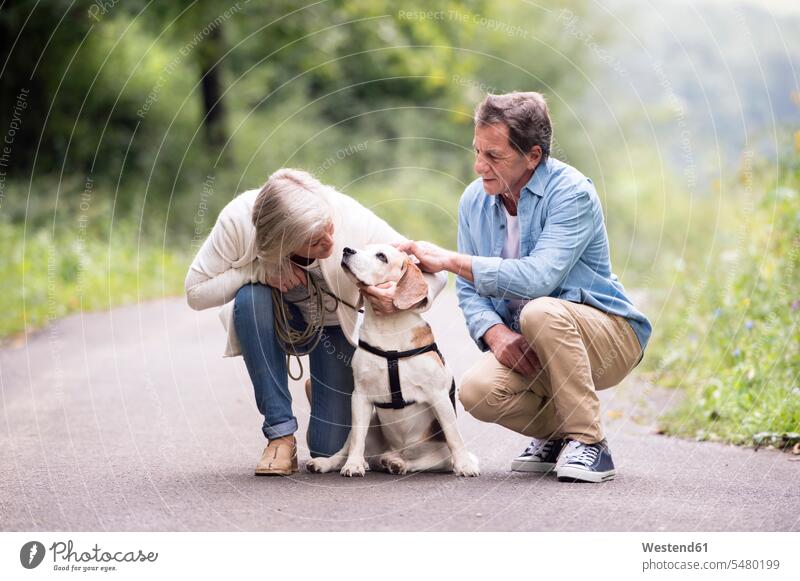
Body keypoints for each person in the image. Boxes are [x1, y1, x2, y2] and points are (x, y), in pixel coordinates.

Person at [396, 92, 652, 483]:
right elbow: (470, 291)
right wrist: (495, 333)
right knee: (476, 391)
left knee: (540, 310)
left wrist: (449, 260)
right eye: (477, 151)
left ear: (533, 156)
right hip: (535, 343)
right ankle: (558, 435)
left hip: (609, 338)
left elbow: (539, 279)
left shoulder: (572, 193)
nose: (479, 166)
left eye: (494, 156)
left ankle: (590, 443)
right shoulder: (474, 200)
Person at [185, 168, 446, 476]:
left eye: (328, 228)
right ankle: (280, 435)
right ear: (280, 243)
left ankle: (323, 387)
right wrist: (258, 273)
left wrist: (397, 297)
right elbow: (195, 292)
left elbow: (433, 274)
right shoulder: (238, 221)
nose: (330, 243)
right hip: (276, 318)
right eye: (314, 241)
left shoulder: (349, 215)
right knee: (250, 299)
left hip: (336, 329)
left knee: (327, 449)